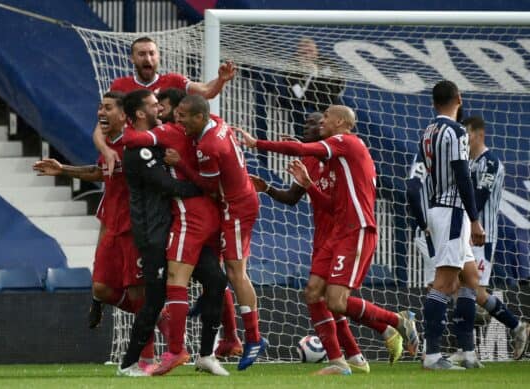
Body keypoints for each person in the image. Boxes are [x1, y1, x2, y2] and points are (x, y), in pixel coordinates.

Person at [237, 105, 418, 375]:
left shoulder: (345, 143)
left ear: (341, 122)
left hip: (355, 230)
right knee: (312, 293)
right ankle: (339, 361)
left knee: (336, 302)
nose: (321, 123)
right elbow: (328, 205)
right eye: (317, 121)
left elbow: (304, 151)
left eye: (325, 119)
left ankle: (395, 321)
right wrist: (305, 184)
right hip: (334, 235)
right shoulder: (330, 159)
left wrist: (256, 143)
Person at [32, 91, 158, 372]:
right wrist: (63, 168)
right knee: (101, 288)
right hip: (112, 225)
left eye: (108, 108)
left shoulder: (138, 143)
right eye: (100, 107)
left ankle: (145, 359)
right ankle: (155, 316)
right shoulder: (111, 146)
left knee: (138, 293)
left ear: (124, 115)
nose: (101, 112)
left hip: (136, 227)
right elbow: (100, 173)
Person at [117, 89, 228, 377]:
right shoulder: (139, 150)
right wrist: (207, 188)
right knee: (154, 298)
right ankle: (129, 363)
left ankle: (206, 355)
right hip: (154, 233)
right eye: (155, 105)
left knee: (216, 281)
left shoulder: (163, 136)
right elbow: (169, 186)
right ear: (141, 113)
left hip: (176, 227)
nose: (161, 109)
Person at [407, 115, 530, 362]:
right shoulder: (464, 161)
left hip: (480, 234)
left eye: (469, 133)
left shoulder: (491, 163)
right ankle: (470, 349)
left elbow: (479, 196)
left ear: (479, 134)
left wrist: (468, 219)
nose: (465, 138)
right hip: (462, 227)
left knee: (470, 288)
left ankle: (512, 327)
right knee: (466, 285)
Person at [167, 95, 267, 370]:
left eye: (184, 115)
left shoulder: (208, 146)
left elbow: (207, 186)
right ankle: (221, 326)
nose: (179, 120)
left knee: (236, 272)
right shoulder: (217, 122)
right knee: (218, 267)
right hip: (235, 200)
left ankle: (254, 338)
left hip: (235, 208)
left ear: (200, 117)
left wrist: (180, 164)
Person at [417, 80, 486, 370]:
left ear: (434, 103)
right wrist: (474, 219)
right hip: (453, 210)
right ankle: (432, 355)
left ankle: (467, 352)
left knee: (469, 278)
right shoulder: (456, 131)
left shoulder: (428, 131)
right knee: (445, 283)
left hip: (437, 207)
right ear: (458, 98)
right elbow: (462, 174)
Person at [95, 36, 236, 175]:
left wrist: (221, 80)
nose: (148, 58)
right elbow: (103, 124)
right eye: (142, 54)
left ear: (158, 56)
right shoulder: (120, 86)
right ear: (132, 58)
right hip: (134, 156)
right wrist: (106, 150)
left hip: (169, 157)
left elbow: (206, 91)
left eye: (152, 53)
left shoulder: (173, 80)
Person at [279, 37, 345, 137]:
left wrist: (317, 75)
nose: (308, 55)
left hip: (329, 104)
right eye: (304, 53)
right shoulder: (292, 68)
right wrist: (311, 75)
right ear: (298, 54)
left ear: (316, 51)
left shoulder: (328, 63)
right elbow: (299, 96)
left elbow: (340, 83)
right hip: (306, 107)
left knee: (342, 111)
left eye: (310, 51)